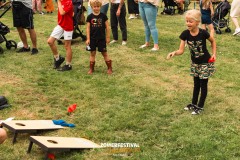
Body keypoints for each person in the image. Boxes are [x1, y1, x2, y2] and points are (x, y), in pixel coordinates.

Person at [167, 9, 216, 115]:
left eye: (190, 21)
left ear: (197, 22)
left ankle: (200, 106)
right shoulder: (185, 34)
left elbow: (212, 41)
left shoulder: (203, 33)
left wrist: (214, 54)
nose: (188, 23)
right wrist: (174, 53)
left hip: (205, 62)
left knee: (203, 84)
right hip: (195, 63)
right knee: (196, 84)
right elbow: (181, 50)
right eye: (187, 21)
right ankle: (193, 104)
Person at [86, 0, 112, 75]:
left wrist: (107, 37)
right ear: (92, 7)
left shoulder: (103, 16)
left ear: (100, 7)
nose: (96, 8)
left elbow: (107, 27)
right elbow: (88, 28)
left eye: (98, 7)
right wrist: (88, 39)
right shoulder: (89, 17)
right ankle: (91, 68)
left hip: (101, 39)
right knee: (92, 53)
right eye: (94, 7)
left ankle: (109, 68)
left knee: (104, 53)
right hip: (92, 39)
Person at [47, 0, 74, 71]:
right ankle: (58, 58)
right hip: (61, 24)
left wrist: (58, 2)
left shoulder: (68, 1)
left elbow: (62, 12)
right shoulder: (61, 1)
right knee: (50, 41)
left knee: (67, 45)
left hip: (68, 26)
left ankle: (68, 65)